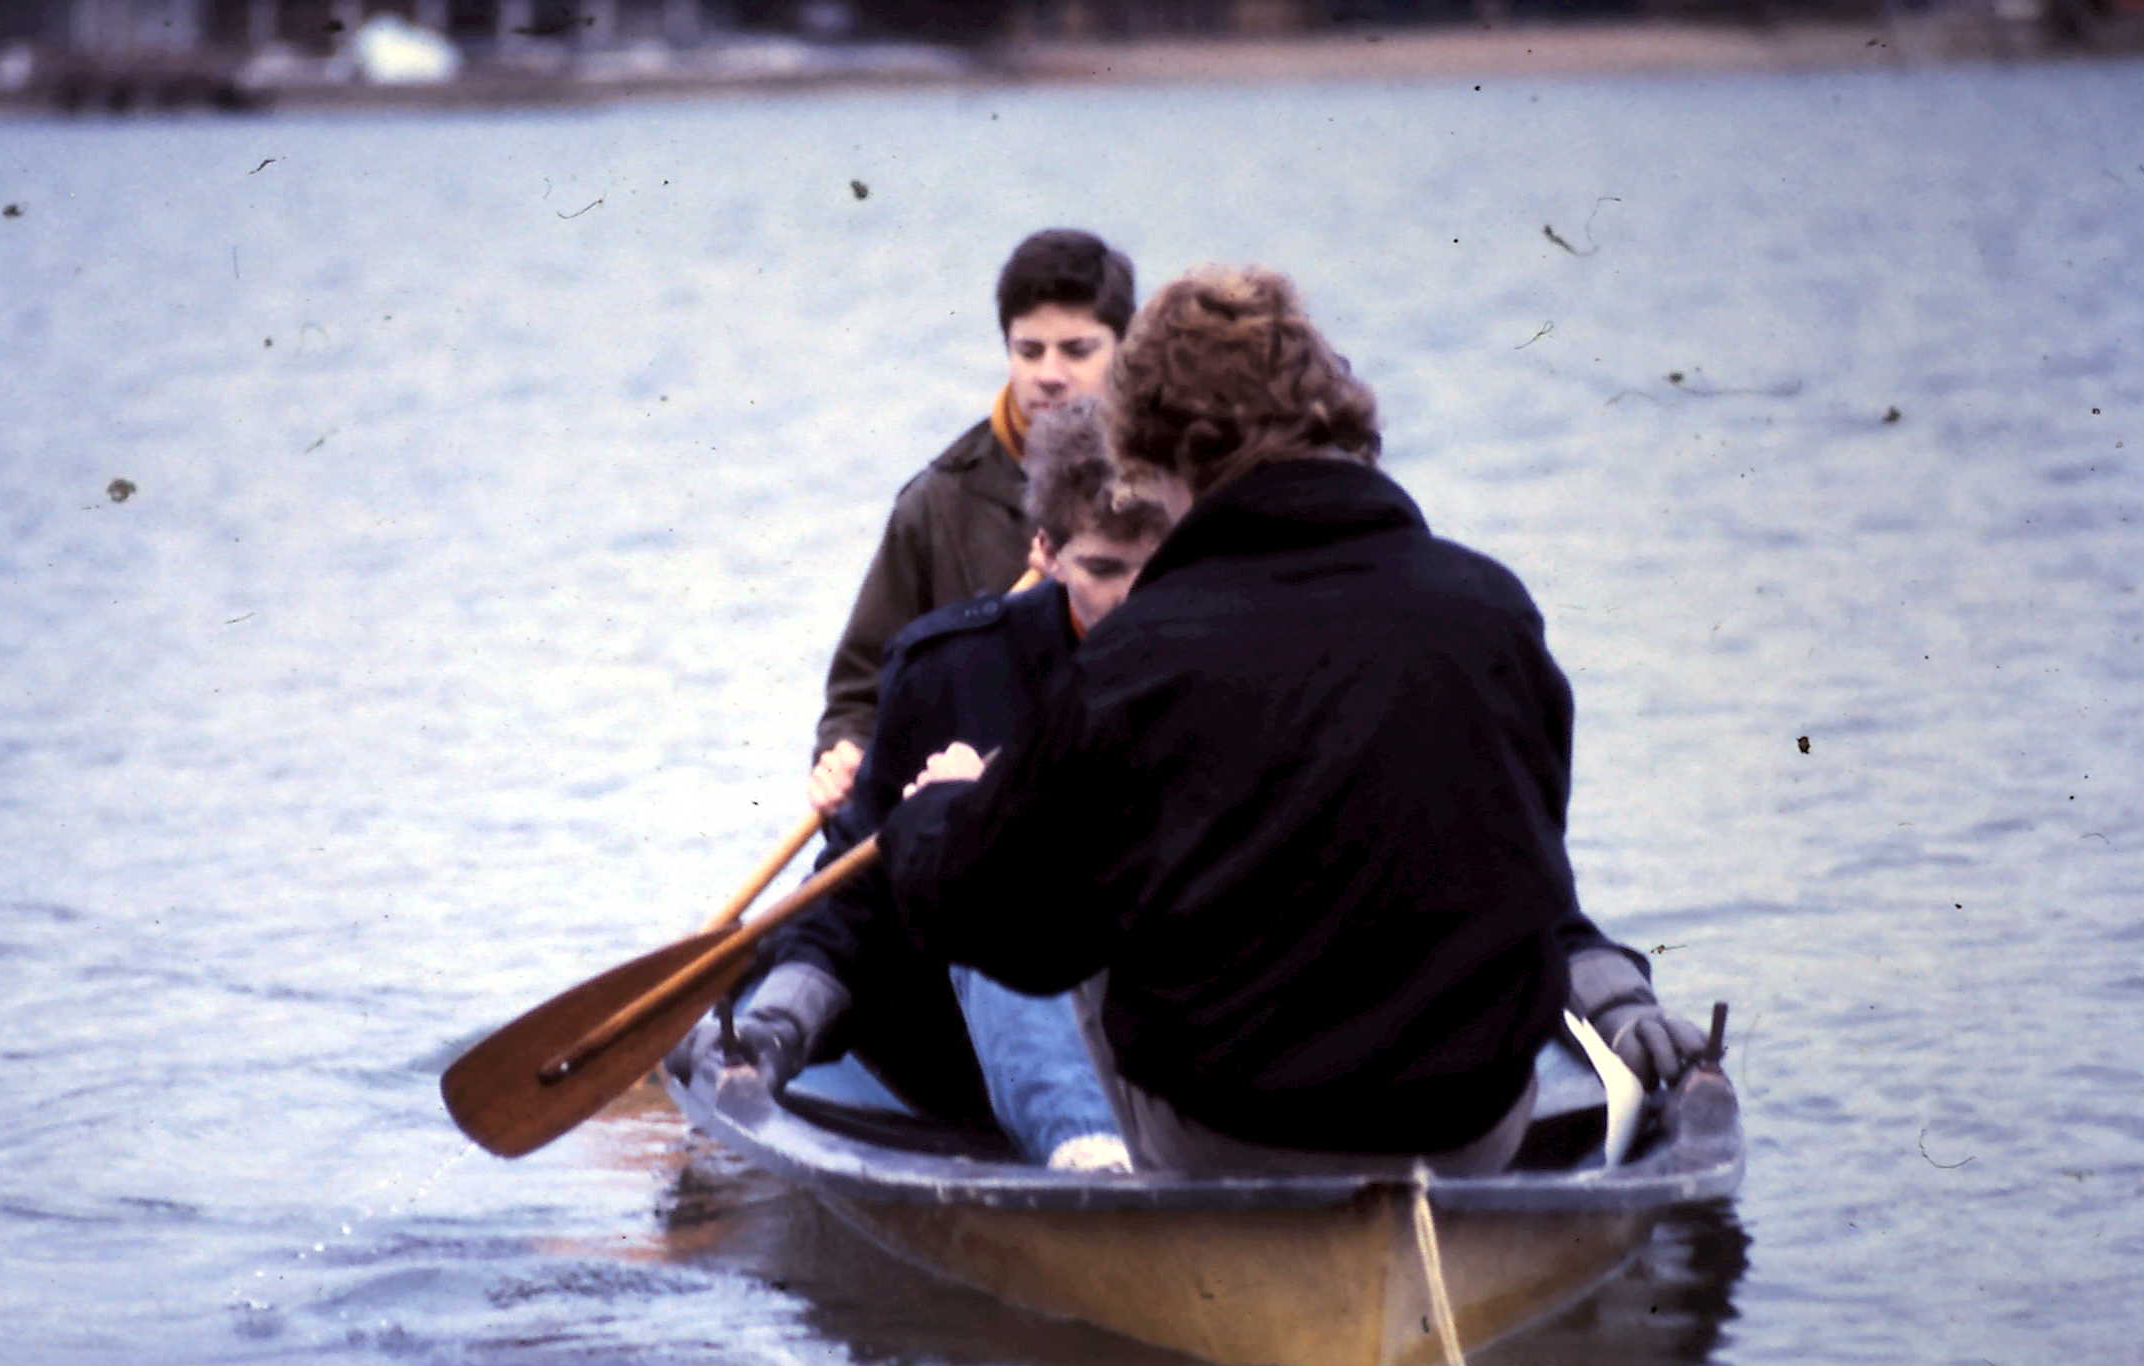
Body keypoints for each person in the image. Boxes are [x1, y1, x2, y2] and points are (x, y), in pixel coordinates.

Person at [881, 265, 1705, 1175]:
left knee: (1064, 879)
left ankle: (1110, 1175)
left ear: (1151, 453)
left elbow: (1013, 937)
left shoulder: (1135, 653)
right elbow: (1535, 882)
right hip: (1472, 1128)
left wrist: (942, 808)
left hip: (1229, 1138)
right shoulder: (1493, 609)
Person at [681, 401, 1172, 1171]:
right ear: (1046, 552)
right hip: (986, 1043)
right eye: (1105, 571)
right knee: (980, 858)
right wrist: (778, 1027)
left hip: (1179, 1026)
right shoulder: (952, 670)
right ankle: (1086, 1155)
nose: (1135, 602)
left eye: (1163, 568)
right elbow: (855, 895)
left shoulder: (1238, 658)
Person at [807, 228, 1137, 817]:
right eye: (1029, 351)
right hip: (973, 819)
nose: (1049, 373)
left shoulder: (1176, 485)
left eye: (1076, 350)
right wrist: (845, 752)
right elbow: (860, 693)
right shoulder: (936, 503)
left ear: (1126, 349)